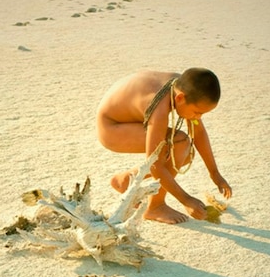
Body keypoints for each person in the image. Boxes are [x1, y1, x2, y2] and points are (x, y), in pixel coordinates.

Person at [96, 68, 232, 224]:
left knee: (186, 153)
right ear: (180, 98)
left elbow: (198, 131)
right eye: (197, 112)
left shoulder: (183, 86)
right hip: (111, 128)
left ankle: (126, 180)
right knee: (180, 142)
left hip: (128, 119)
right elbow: (154, 163)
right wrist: (186, 200)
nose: (198, 118)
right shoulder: (159, 106)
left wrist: (215, 174)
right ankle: (155, 207)